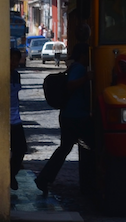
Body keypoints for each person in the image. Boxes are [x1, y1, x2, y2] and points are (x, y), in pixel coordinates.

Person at [34, 36, 90, 195]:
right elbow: (70, 85)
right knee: (85, 147)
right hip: (75, 117)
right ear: (82, 55)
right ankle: (44, 179)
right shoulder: (79, 68)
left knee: (64, 148)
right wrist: (86, 78)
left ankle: (44, 179)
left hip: (70, 115)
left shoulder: (74, 67)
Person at [9, 48, 26, 191]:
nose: (14, 63)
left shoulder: (16, 76)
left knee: (20, 149)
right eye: (12, 59)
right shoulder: (2, 75)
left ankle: (11, 174)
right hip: (3, 120)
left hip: (15, 118)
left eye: (16, 60)